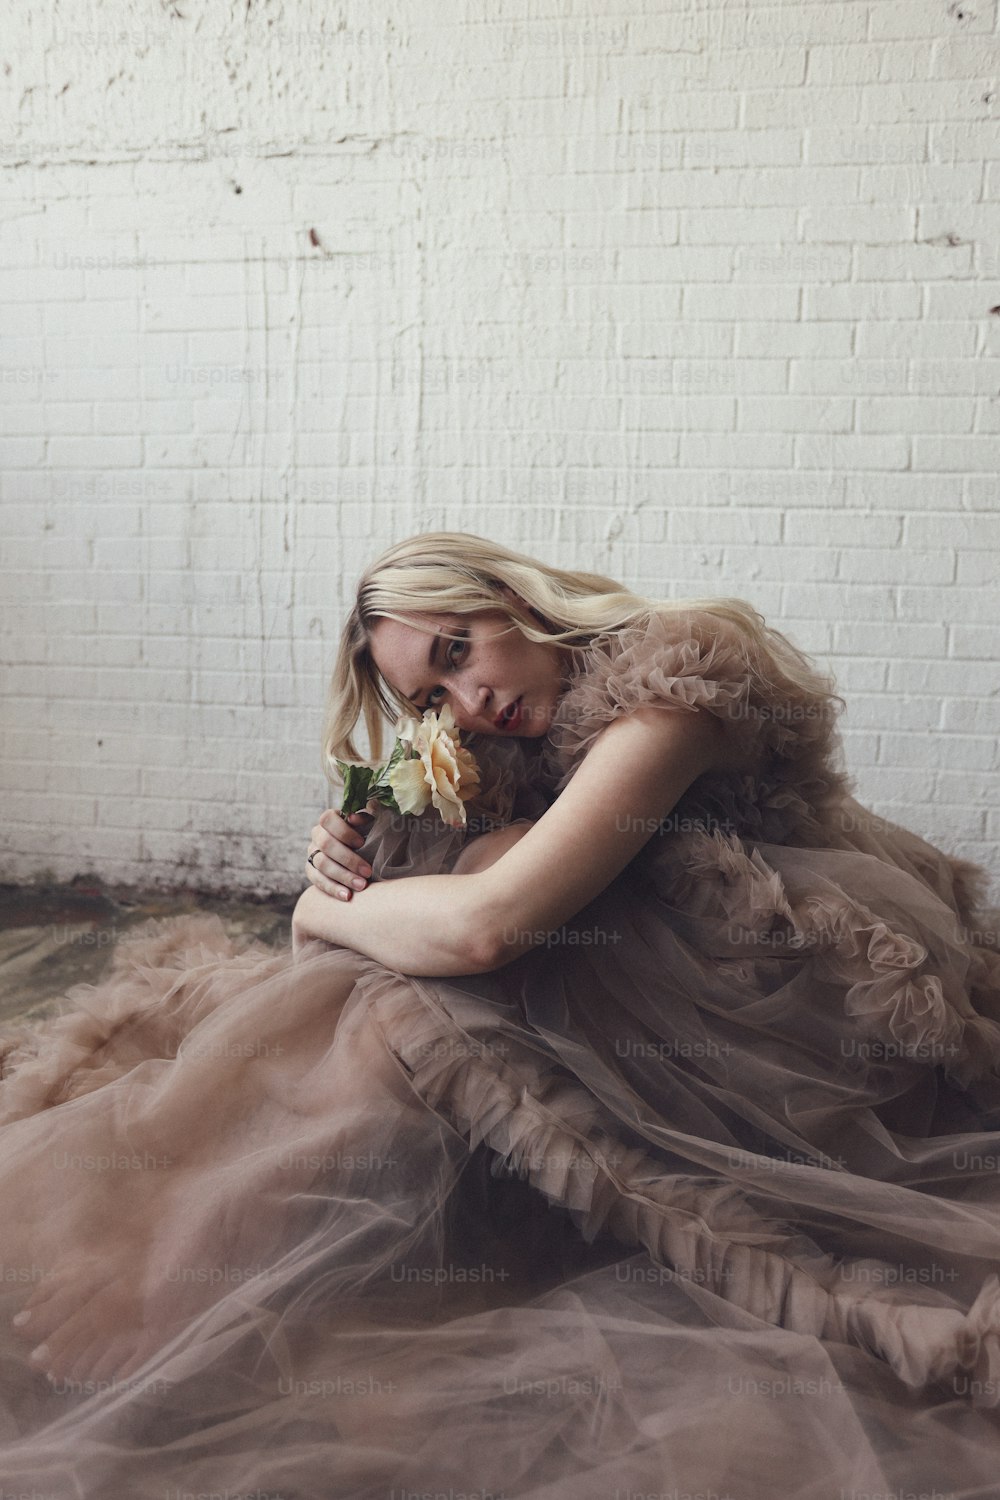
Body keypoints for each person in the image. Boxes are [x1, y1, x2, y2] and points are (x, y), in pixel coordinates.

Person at [1, 529, 999, 1499]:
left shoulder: (678, 680)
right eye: (431, 695)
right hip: (633, 972)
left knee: (412, 999)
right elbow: (346, 950)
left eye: (456, 650)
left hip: (786, 997)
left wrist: (320, 904)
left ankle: (196, 1266)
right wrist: (358, 847)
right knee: (372, 987)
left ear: (514, 599)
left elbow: (491, 929)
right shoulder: (498, 745)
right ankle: (212, 1236)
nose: (467, 699)